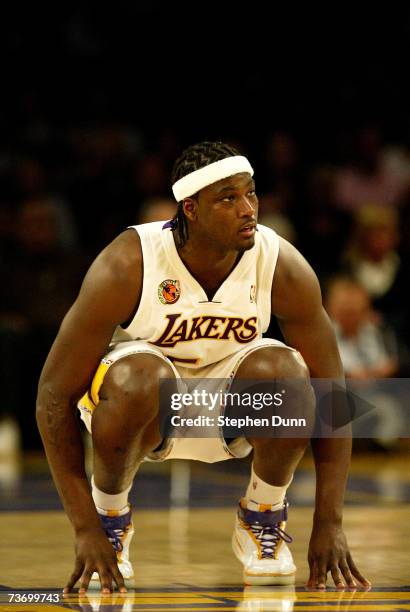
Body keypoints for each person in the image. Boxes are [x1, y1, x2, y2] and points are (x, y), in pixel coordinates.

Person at [36, 141, 370, 594]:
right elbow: (53, 396)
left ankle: (262, 514)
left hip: (226, 414)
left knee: (287, 373)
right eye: (228, 199)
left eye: (251, 194)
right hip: (141, 411)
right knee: (139, 380)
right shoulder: (129, 261)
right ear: (190, 209)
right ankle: (110, 518)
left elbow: (334, 394)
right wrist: (84, 526)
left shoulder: (279, 262)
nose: (248, 208)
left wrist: (329, 522)